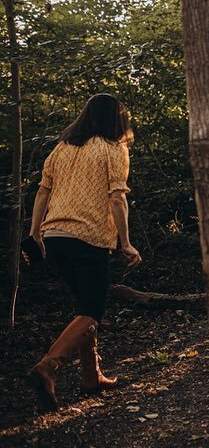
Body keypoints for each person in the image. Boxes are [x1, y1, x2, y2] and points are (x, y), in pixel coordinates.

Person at [26, 94, 141, 411]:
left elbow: (43, 191)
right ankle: (48, 366)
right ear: (116, 120)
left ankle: (93, 377)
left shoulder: (62, 148)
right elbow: (117, 198)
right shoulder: (113, 149)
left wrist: (35, 234)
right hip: (88, 239)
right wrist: (126, 243)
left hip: (55, 239)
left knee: (83, 307)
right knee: (92, 309)